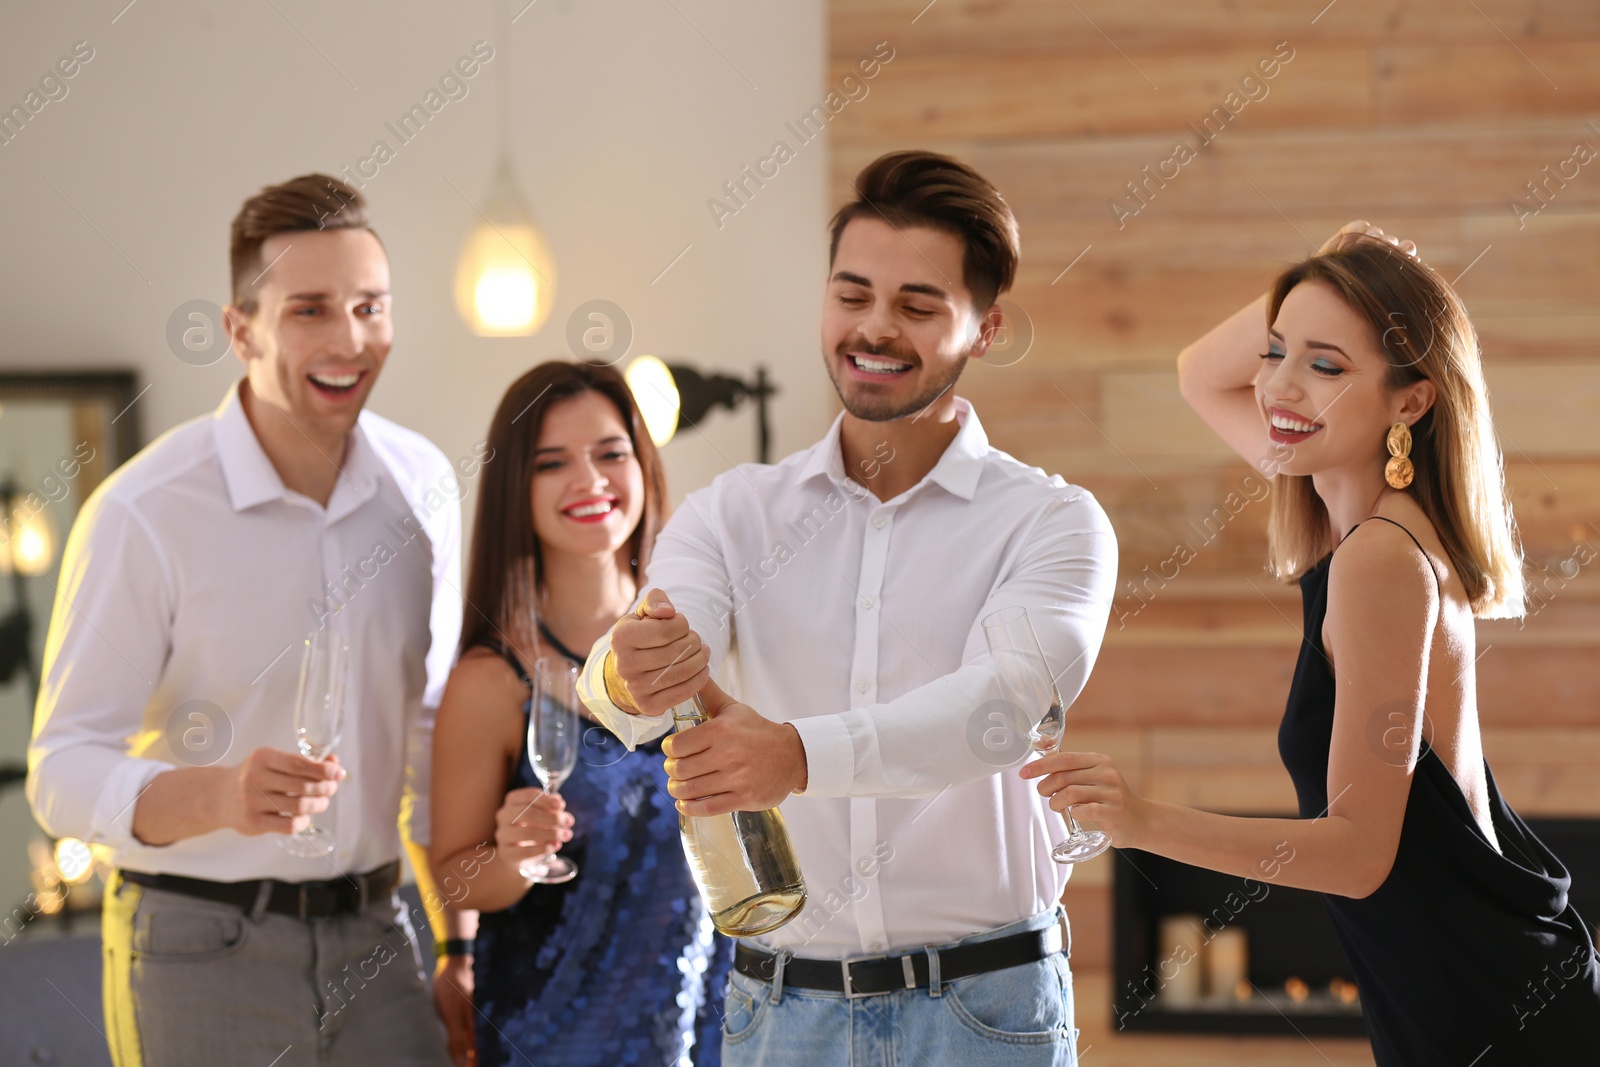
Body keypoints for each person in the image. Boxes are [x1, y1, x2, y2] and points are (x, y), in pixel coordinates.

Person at [577, 150, 1117, 1066]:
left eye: (917, 305)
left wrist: (792, 755)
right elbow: (643, 667)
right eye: (852, 293)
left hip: (988, 1017)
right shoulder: (729, 513)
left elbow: (994, 716)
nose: (875, 327)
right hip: (782, 1017)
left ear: (984, 329)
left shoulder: (1054, 523)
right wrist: (628, 669)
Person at [1025, 222, 1600, 1065]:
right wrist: (1338, 265)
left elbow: (1360, 852)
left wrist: (1140, 820)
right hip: (1471, 999)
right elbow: (1199, 373)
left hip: (1496, 1015)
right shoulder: (1360, 520)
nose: (1278, 389)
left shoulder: (1381, 560)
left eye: (1325, 366)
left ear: (1412, 400)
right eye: (1274, 351)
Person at [27, 174, 458, 1066]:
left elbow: (426, 730)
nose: (350, 339)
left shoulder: (423, 491)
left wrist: (458, 944)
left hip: (380, 937)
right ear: (240, 330)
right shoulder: (143, 512)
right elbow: (61, 768)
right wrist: (221, 795)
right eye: (309, 309)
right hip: (197, 948)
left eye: (370, 306)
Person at [429, 361, 734, 1067]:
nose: (591, 480)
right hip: (556, 1038)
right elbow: (453, 875)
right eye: (552, 463)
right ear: (516, 490)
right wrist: (512, 858)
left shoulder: (707, 628)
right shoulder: (491, 678)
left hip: (718, 1027)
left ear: (643, 464)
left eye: (610, 454)